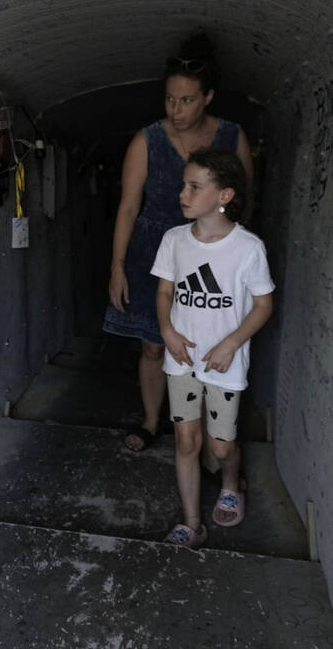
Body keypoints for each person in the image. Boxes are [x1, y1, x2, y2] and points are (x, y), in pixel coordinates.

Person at [105, 33, 254, 452]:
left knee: (209, 345)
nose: (176, 109)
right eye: (170, 99)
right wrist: (118, 265)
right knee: (154, 345)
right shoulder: (147, 140)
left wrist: (235, 260)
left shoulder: (231, 137)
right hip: (155, 251)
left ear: (208, 97)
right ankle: (154, 421)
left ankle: (210, 438)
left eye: (186, 100)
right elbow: (129, 208)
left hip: (212, 254)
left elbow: (244, 204)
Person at [153, 148, 273, 547]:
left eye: (195, 187)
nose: (183, 194)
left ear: (224, 196)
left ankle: (229, 481)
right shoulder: (174, 240)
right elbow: (165, 291)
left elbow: (262, 304)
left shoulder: (248, 248)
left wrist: (232, 344)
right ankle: (191, 522)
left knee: (220, 447)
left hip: (225, 364)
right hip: (181, 358)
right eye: (184, 186)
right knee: (187, 442)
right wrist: (167, 331)